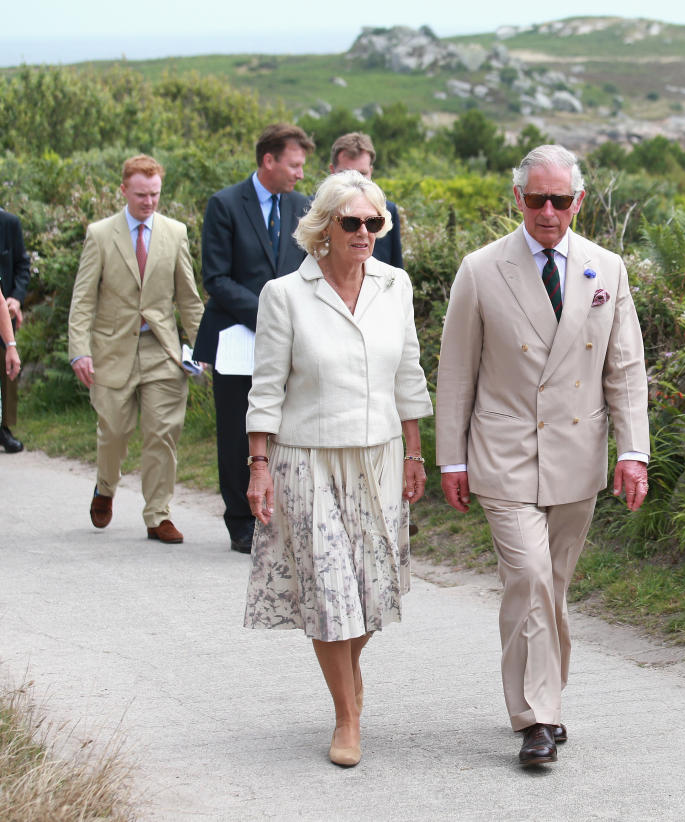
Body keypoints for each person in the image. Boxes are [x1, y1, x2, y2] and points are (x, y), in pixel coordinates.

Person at [436, 144, 651, 766]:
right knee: (528, 576)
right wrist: (453, 459)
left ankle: (544, 696)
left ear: (579, 201)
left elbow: (626, 366)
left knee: (550, 588)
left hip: (577, 452)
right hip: (502, 450)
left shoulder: (606, 269)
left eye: (561, 200)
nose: (549, 211)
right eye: (537, 199)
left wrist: (632, 450)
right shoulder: (480, 270)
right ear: (518, 200)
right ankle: (538, 718)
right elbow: (456, 371)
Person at [242, 170, 432, 769]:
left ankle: (347, 675)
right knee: (328, 589)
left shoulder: (394, 285)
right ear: (323, 228)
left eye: (374, 222)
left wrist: (415, 451)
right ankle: (347, 718)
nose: (365, 233)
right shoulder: (284, 295)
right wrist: (258, 466)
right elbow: (265, 390)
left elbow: (409, 373)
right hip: (307, 460)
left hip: (378, 456)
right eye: (351, 222)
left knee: (372, 589)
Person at [66, 154, 204, 544]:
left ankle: (157, 515)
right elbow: (83, 300)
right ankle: (105, 486)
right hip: (111, 348)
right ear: (124, 190)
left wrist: (203, 346)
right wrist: (80, 350)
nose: (149, 202)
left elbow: (188, 297)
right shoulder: (99, 233)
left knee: (163, 432)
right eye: (141, 194)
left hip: (162, 348)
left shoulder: (175, 233)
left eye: (155, 194)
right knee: (114, 431)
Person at [193, 123, 314, 554]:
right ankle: (240, 522)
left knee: (285, 428)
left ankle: (279, 514)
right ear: (269, 160)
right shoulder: (224, 204)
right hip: (237, 338)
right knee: (237, 431)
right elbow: (216, 278)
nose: (300, 174)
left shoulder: (303, 205)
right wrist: (271, 315)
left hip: (290, 340)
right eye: (294, 165)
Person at [328, 132, 402, 269]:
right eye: (346, 173)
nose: (355, 180)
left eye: (362, 173)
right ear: (332, 171)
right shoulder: (313, 210)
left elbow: (395, 265)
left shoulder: (387, 210)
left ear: (371, 171)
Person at [0, 207, 31, 453]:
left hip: (5, 309)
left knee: (7, 366)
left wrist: (16, 298)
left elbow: (22, 264)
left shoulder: (9, 223)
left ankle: (5, 426)